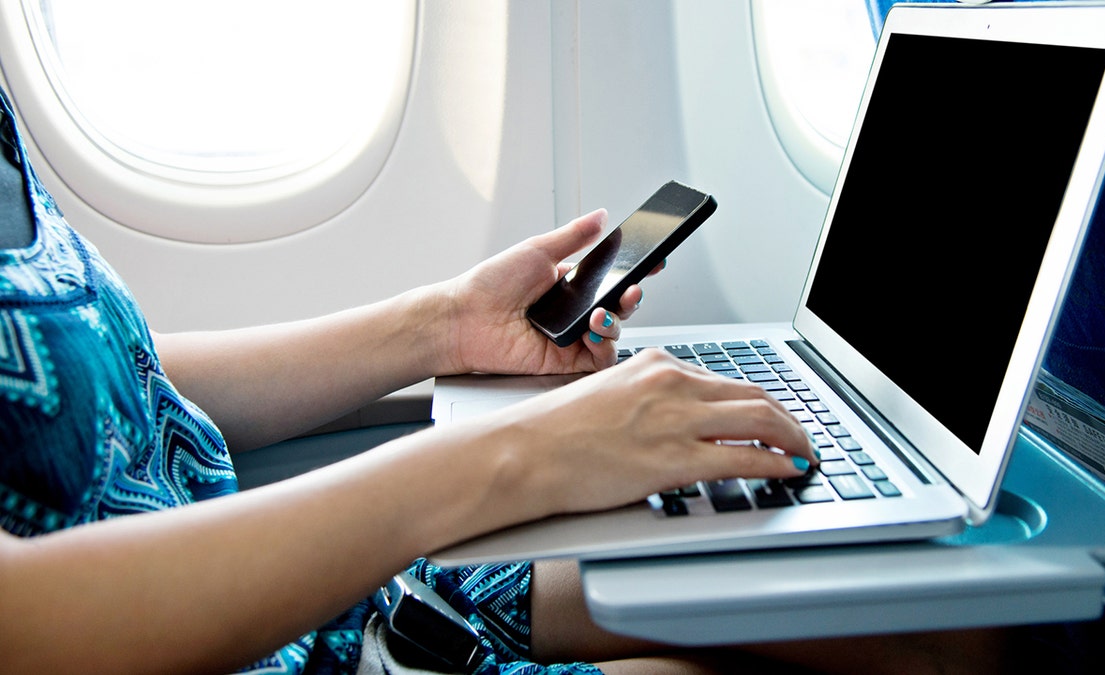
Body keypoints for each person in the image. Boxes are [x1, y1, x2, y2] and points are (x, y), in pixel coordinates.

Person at [0, 84, 1012, 675]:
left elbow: (108, 378)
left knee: (938, 627)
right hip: (227, 636)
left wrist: (444, 327)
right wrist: (517, 458)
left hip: (309, 602)